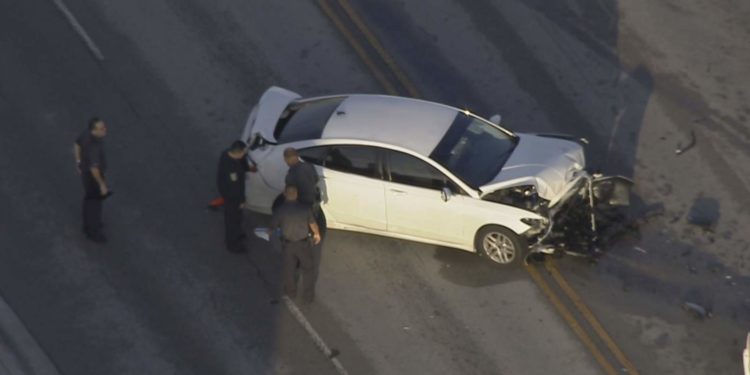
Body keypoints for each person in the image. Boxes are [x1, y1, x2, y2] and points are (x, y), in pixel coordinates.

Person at [269, 185, 321, 303]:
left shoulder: (280, 210)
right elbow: (313, 224)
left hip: (288, 245)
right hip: (303, 244)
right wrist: (317, 234)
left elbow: (273, 227)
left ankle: (290, 292)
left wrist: (270, 233)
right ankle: (308, 296)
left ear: (285, 194)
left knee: (289, 269)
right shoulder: (305, 209)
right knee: (308, 269)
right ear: (297, 195)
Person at [73, 117, 109, 243]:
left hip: (85, 172)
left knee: (89, 200)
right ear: (94, 131)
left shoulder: (85, 134)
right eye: (101, 128)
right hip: (92, 176)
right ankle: (93, 232)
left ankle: (87, 226)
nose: (105, 129)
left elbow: (77, 144)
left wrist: (78, 161)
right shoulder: (94, 146)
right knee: (95, 204)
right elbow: (94, 168)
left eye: (104, 126)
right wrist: (102, 184)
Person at [217, 140, 252, 253]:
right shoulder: (231, 168)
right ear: (237, 153)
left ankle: (238, 233)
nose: (245, 154)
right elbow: (236, 188)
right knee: (231, 219)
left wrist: (246, 168)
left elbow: (242, 161)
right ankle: (232, 244)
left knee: (237, 216)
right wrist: (241, 201)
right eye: (243, 153)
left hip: (231, 191)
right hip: (232, 196)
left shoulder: (227, 153)